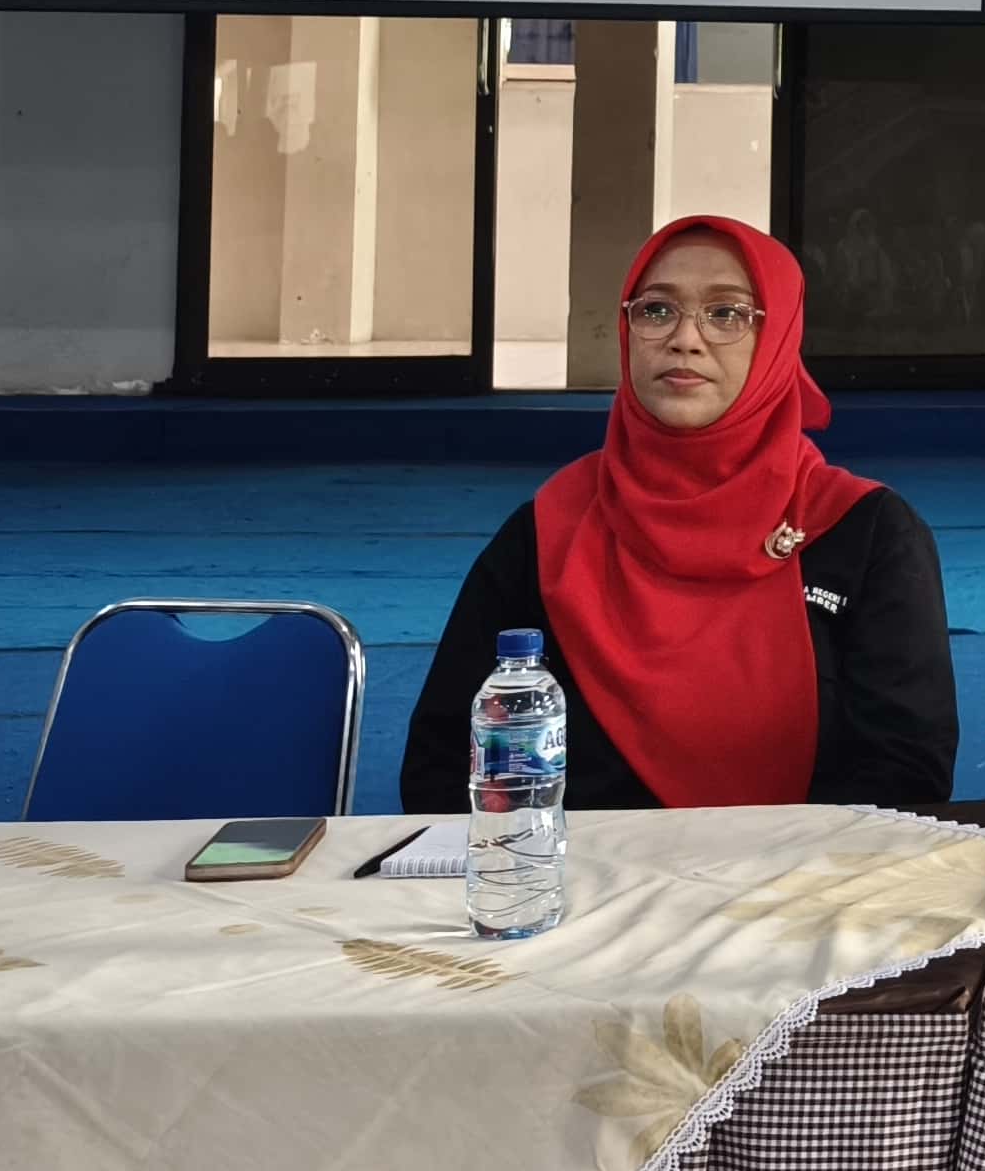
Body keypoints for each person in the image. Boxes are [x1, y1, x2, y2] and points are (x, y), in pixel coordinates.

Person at [401, 216, 955, 810]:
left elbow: (905, 776)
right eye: (657, 310)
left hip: (805, 866)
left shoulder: (860, 529)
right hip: (583, 867)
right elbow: (443, 767)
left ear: (778, 341)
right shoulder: (550, 529)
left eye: (727, 313)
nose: (685, 338)